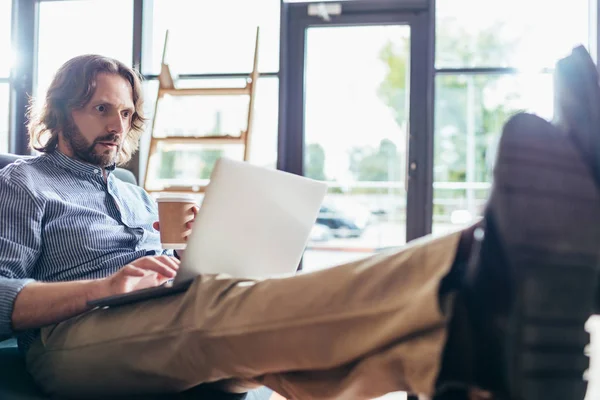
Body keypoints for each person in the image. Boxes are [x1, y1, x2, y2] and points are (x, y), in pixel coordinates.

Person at [0, 48, 597, 400]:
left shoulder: (129, 191)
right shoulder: (22, 182)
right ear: (60, 108)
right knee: (210, 314)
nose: (116, 123)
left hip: (150, 317)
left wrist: (192, 248)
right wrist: (105, 288)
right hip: (69, 346)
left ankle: (474, 358)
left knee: (256, 320)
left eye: (126, 112)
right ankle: (483, 255)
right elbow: (3, 296)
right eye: (101, 106)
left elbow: (144, 269)